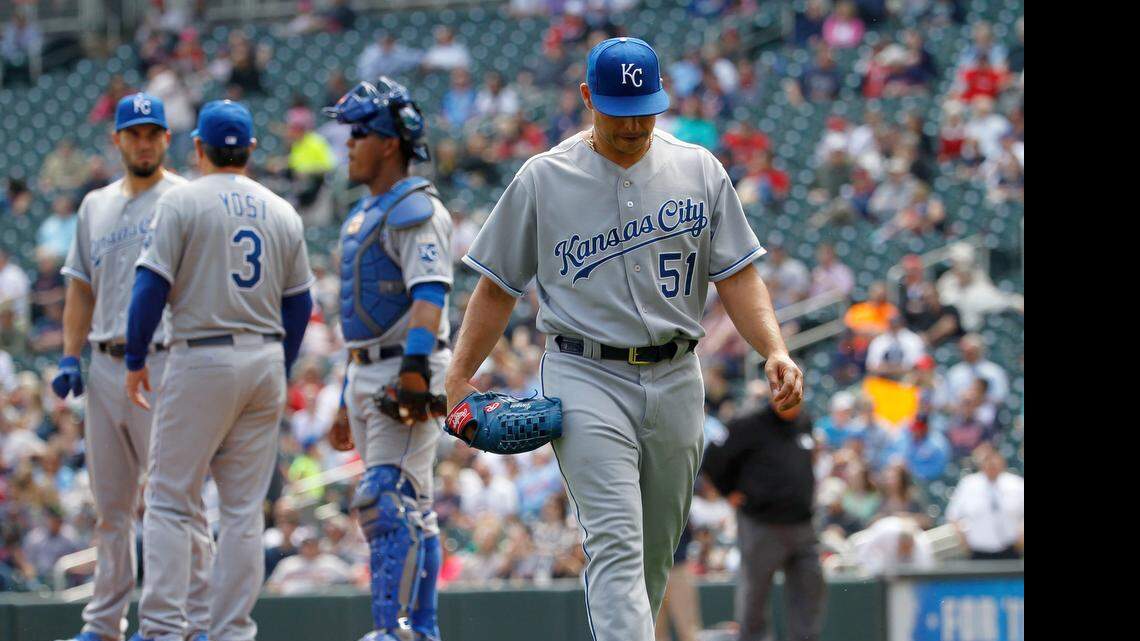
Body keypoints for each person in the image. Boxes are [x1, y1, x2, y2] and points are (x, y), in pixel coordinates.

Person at [446, 37, 803, 641]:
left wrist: (774, 348)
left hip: (677, 373)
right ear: (588, 98)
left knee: (656, 553)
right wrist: (458, 376)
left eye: (646, 107)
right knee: (614, 539)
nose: (636, 123)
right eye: (620, 109)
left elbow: (739, 275)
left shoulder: (698, 169)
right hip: (585, 371)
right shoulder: (545, 177)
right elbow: (495, 288)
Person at [123, 99, 314, 641]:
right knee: (243, 513)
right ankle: (230, 631)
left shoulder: (182, 202)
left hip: (200, 353)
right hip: (263, 358)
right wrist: (280, 364)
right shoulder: (281, 210)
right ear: (251, 149)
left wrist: (135, 358)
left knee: (169, 498)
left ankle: (163, 629)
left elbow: (149, 290)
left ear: (198, 147)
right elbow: (299, 305)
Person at [51, 93, 213, 641]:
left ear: (167, 139)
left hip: (168, 361)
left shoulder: (187, 198)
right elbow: (80, 287)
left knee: (175, 501)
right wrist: (71, 354)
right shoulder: (94, 205)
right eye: (134, 132)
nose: (143, 141)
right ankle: (104, 624)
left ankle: (192, 620)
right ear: (116, 139)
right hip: (103, 364)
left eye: (152, 132)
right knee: (112, 507)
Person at [322, 77, 451, 641]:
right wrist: (345, 397)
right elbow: (364, 320)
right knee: (412, 503)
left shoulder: (414, 209)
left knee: (386, 500)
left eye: (359, 134)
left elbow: (430, 295)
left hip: (405, 364)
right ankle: (417, 629)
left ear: (389, 143)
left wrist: (415, 372)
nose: (348, 144)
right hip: (369, 367)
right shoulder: (365, 212)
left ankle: (392, 629)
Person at [702, 398, 824, 641]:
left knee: (810, 589)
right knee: (755, 597)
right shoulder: (748, 423)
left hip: (802, 524)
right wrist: (729, 492)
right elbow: (713, 458)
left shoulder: (803, 420)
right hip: (761, 523)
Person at [945, 449, 1024, 560]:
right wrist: (963, 540)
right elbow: (953, 515)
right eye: (987, 461)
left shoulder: (1016, 484)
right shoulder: (968, 484)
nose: (991, 465)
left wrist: (1022, 534)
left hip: (1011, 548)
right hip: (978, 550)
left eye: (994, 461)